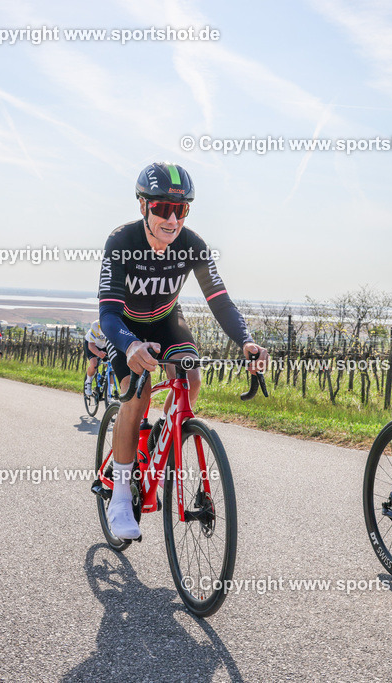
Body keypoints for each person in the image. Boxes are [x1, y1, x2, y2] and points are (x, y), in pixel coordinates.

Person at [98, 161, 268, 541]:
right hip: (125, 327)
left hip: (166, 321)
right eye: (161, 208)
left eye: (180, 209)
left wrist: (247, 341)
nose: (171, 218)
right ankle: (121, 497)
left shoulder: (193, 246)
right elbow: (107, 314)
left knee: (191, 378)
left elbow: (221, 302)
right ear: (143, 205)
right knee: (138, 394)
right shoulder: (122, 242)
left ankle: (162, 438)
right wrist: (129, 345)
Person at [83, 320, 108, 396]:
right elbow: (91, 346)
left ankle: (109, 393)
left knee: (112, 367)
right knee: (94, 364)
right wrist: (98, 353)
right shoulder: (96, 325)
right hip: (92, 344)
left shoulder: (113, 324)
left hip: (104, 345)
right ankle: (88, 382)